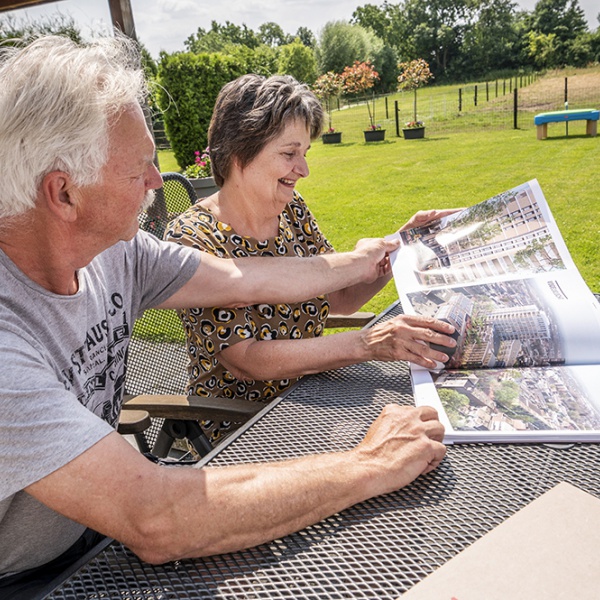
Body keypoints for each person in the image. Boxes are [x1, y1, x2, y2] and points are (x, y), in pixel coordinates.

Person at [0, 36, 455, 598]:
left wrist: (382, 251)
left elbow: (245, 277)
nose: (155, 183)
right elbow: (156, 519)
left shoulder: (119, 253)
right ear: (64, 193)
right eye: (141, 167)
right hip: (26, 576)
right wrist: (374, 463)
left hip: (91, 529)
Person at [165, 73, 457, 443]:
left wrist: (404, 243)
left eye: (304, 154)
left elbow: (342, 298)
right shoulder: (193, 238)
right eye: (289, 154)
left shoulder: (291, 210)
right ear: (239, 153)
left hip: (316, 393)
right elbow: (246, 361)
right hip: (244, 423)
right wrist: (368, 344)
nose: (303, 170)